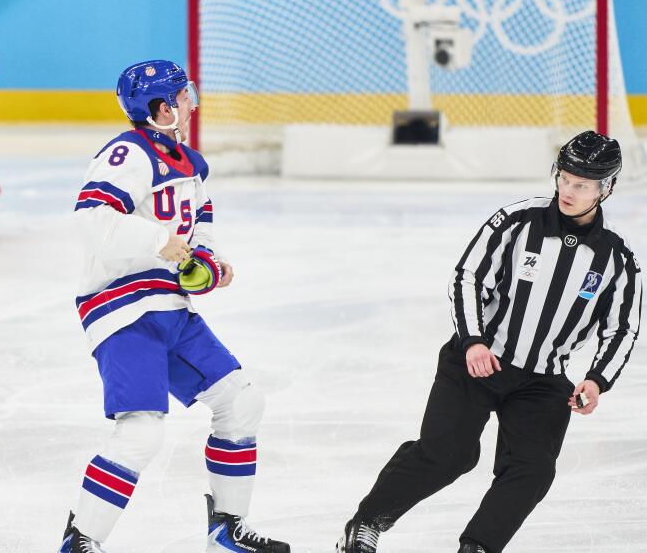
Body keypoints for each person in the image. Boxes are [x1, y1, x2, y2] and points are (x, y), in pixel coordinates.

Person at [336, 130, 642, 553]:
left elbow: (622, 327)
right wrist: (473, 341)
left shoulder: (618, 259)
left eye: (582, 185)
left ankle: (477, 546)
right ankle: (367, 523)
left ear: (604, 189)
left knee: (533, 470)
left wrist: (596, 379)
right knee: (448, 455)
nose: (568, 191)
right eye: (565, 179)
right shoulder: (517, 220)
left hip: (544, 381)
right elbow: (468, 277)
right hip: (478, 361)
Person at [58, 60, 289, 553]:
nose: (192, 101)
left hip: (170, 309)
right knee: (141, 432)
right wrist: (161, 242)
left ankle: (227, 531)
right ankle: (81, 541)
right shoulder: (128, 153)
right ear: (163, 108)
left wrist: (206, 259)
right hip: (122, 310)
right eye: (183, 96)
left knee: (242, 404)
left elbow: (199, 224)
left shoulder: (190, 164)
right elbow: (91, 221)